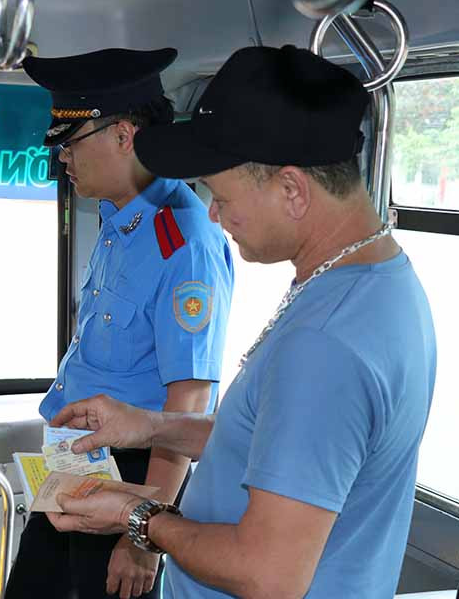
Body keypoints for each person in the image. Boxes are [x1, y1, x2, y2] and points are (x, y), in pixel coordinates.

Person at [47, 45, 437, 599]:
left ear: (291, 190)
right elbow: (270, 441)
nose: (211, 213)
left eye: (222, 194)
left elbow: (268, 574)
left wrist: (139, 517)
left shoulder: (325, 344)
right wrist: (149, 426)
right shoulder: (377, 284)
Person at [5, 48, 234, 599]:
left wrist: (140, 538)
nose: (63, 158)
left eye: (72, 143)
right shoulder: (115, 217)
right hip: (77, 458)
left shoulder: (185, 243)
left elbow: (190, 401)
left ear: (124, 134)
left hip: (135, 470)